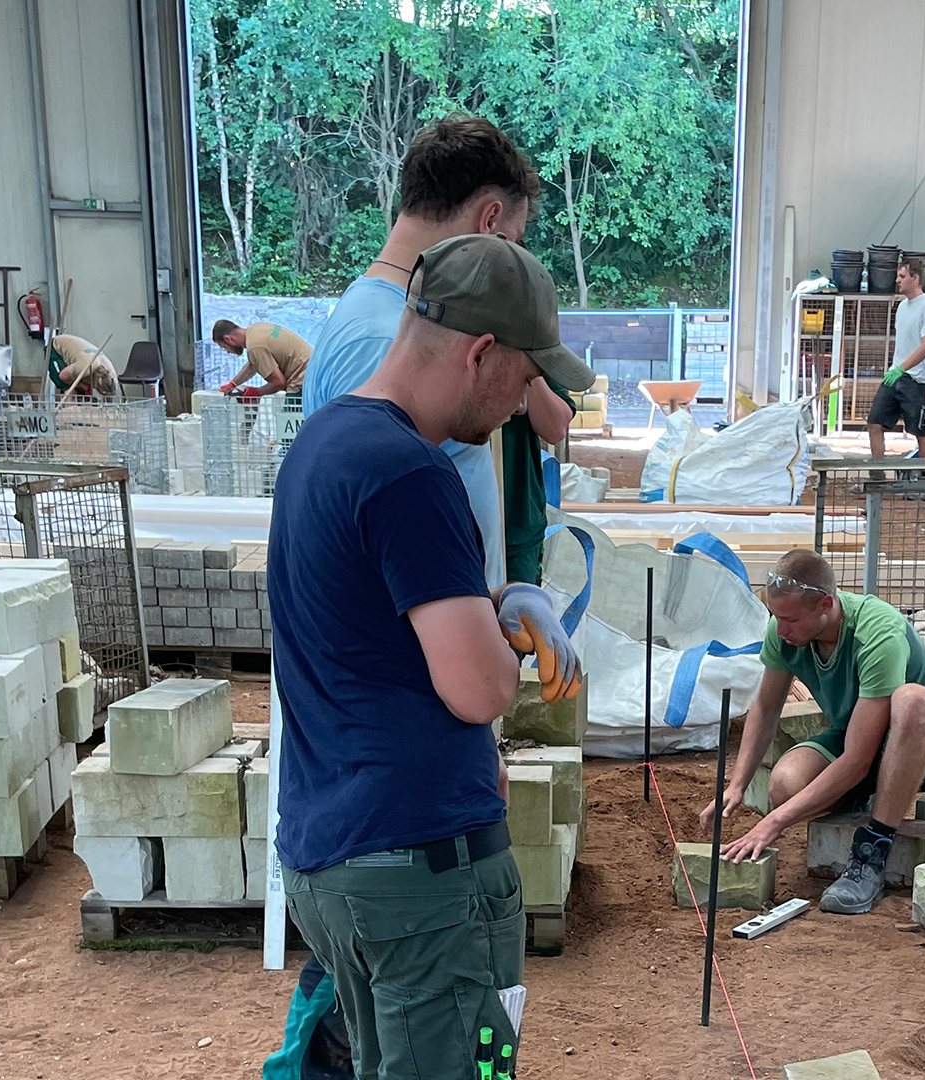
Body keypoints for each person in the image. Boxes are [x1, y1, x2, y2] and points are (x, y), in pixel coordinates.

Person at [269, 234, 595, 1078]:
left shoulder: (324, 443)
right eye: (524, 379)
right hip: (420, 873)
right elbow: (480, 689)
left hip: (334, 852)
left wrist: (494, 602)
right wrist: (508, 635)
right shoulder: (412, 474)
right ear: (480, 352)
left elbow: (372, 624)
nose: (522, 399)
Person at [304, 115, 554, 590]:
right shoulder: (386, 344)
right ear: (490, 220)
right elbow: (399, 569)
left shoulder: (380, 316)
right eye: (511, 247)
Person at [703, 549, 925, 915]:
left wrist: (773, 824)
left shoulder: (877, 633)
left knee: (910, 700)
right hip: (858, 733)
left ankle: (871, 852)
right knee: (784, 785)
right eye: (775, 617)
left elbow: (858, 761)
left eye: (791, 620)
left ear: (826, 604)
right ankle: (866, 802)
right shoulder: (784, 631)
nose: (780, 630)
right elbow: (765, 708)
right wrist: (736, 786)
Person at [866, 259, 925, 459]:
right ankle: (877, 475)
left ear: (915, 278)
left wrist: (902, 368)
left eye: (902, 276)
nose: (897, 280)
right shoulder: (901, 307)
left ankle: (923, 484)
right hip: (896, 376)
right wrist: (896, 370)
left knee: (920, 432)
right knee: (874, 423)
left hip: (918, 381)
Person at [499, 384, 574, 584]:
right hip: (445, 523)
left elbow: (555, 428)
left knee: (516, 609)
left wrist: (530, 366)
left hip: (515, 524)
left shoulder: (534, 360)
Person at [214, 320, 313, 397]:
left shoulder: (255, 347)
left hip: (302, 380)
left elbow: (279, 383)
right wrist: (233, 383)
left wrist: (256, 393)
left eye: (224, 347)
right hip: (313, 367)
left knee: (289, 420)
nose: (227, 351)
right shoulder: (256, 328)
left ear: (228, 339)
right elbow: (254, 363)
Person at [45, 332, 119, 397]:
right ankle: (69, 408)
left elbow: (109, 395)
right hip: (55, 348)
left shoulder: (112, 374)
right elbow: (63, 376)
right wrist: (84, 386)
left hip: (83, 359)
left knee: (81, 389)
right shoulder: (85, 366)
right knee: (69, 387)